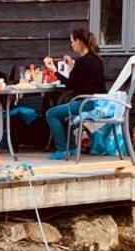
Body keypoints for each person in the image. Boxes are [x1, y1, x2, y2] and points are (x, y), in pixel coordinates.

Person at [42, 27, 106, 159]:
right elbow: (80, 81)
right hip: (97, 101)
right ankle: (71, 147)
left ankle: (62, 149)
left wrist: (54, 70)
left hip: (86, 103)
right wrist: (71, 65)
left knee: (51, 114)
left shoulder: (83, 62)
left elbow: (70, 84)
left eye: (72, 42)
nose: (71, 45)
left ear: (79, 41)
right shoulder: (95, 59)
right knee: (64, 113)